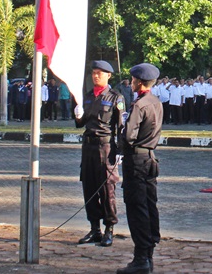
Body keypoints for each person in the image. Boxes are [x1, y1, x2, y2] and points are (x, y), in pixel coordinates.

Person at [117, 62, 164, 274]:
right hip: (149, 158)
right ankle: (149, 254)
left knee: (137, 209)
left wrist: (122, 126)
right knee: (149, 205)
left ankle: (141, 258)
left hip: (136, 159)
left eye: (134, 80)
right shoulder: (155, 102)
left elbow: (128, 137)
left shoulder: (139, 105)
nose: (131, 83)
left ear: (140, 82)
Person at [75, 60, 125, 247]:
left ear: (108, 75)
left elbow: (121, 127)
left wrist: (120, 151)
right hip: (88, 148)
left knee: (106, 190)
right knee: (89, 188)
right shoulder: (87, 97)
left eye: (100, 73)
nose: (96, 76)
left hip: (106, 148)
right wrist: (78, 114)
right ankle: (94, 229)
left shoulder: (115, 98)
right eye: (94, 72)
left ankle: (109, 229)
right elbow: (81, 124)